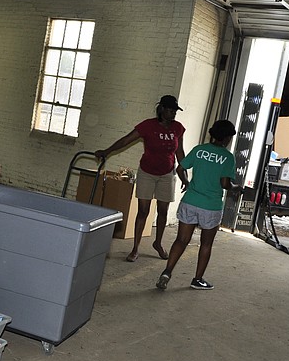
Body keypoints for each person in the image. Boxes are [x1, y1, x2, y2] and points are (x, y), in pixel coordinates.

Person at [95, 95, 188, 262]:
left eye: (175, 111)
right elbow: (126, 140)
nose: (173, 113)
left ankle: (158, 243)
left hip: (167, 174)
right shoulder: (148, 126)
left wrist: (185, 177)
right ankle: (135, 248)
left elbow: (180, 153)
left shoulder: (178, 128)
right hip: (147, 173)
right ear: (161, 109)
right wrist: (106, 151)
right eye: (170, 110)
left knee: (163, 211)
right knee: (143, 211)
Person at [156, 119, 237, 290]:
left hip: (190, 201)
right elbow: (224, 183)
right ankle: (197, 279)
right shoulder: (228, 158)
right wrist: (236, 187)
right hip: (211, 206)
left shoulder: (199, 150)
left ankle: (167, 271)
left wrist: (185, 181)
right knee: (206, 244)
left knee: (181, 240)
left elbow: (180, 168)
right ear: (227, 138)